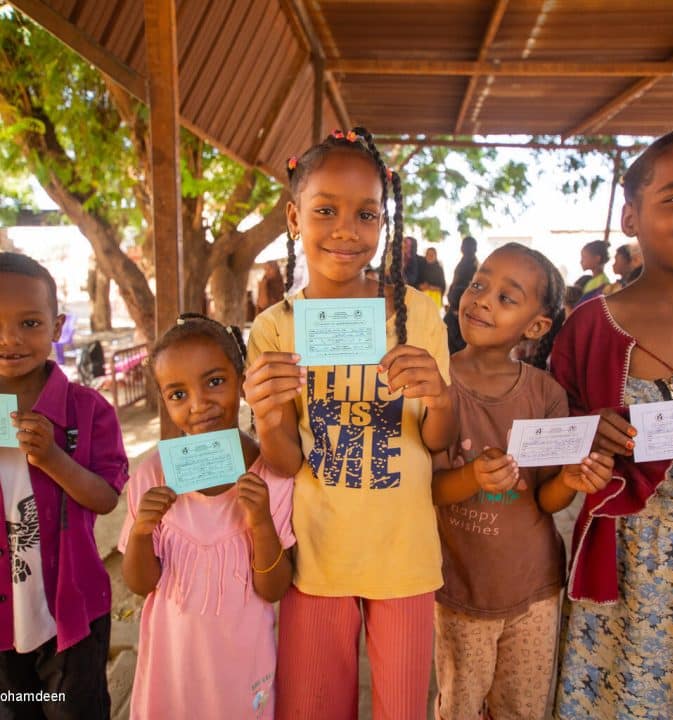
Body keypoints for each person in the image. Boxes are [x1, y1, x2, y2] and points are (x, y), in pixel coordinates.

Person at [243, 127, 456, 720]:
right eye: (325, 210)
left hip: (405, 554)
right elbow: (285, 461)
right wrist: (266, 415)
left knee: (403, 709)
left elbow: (437, 440)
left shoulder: (418, 313)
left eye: (366, 214)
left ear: (383, 222)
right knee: (312, 706)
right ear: (294, 217)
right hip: (317, 559)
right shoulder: (275, 327)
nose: (346, 230)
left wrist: (438, 397)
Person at [551, 129, 673, 718]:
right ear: (630, 218)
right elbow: (548, 436)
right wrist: (583, 431)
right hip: (625, 567)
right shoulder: (588, 327)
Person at [431, 243, 614, 720]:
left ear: (535, 328)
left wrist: (574, 479)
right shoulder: (437, 384)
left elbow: (548, 500)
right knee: (459, 707)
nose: (483, 299)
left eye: (507, 297)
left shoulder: (547, 394)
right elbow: (428, 490)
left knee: (522, 708)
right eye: (479, 284)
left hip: (534, 589)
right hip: (460, 590)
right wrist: (472, 476)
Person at [119, 314, 294, 719]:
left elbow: (274, 589)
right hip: (173, 669)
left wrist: (262, 523)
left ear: (242, 379)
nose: (199, 405)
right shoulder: (152, 474)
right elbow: (140, 583)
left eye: (215, 382)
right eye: (177, 394)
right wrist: (143, 531)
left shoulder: (272, 476)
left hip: (242, 668)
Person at [0, 252, 128, 719]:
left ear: (57, 327)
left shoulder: (89, 411)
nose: (10, 338)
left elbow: (106, 497)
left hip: (71, 613)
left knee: (76, 711)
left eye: (29, 323)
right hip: (3, 621)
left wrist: (53, 459)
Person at [444, 235, 479, 353]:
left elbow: (463, 288)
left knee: (456, 346)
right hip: (455, 309)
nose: (462, 248)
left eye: (465, 246)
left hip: (459, 311)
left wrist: (456, 306)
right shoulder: (465, 262)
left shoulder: (472, 266)